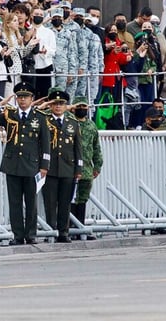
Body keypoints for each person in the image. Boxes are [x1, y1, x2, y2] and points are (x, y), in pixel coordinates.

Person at [0, 81, 50, 245]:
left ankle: (31, 234)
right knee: (14, 202)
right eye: (19, 97)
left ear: (32, 98)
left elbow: (45, 143)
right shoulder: (9, 114)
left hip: (32, 165)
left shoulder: (39, 117)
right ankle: (18, 235)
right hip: (12, 164)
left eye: (25, 97)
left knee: (31, 202)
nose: (22, 100)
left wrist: (44, 165)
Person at [40, 89, 83, 243]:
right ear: (50, 106)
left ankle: (63, 231)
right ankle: (51, 231)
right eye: (55, 104)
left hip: (67, 167)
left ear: (66, 106)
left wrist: (79, 168)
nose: (58, 107)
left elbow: (78, 148)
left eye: (61, 104)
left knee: (65, 202)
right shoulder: (44, 120)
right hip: (50, 168)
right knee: (50, 203)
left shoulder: (73, 123)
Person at [70, 96, 103, 240]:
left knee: (83, 198)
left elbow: (96, 147)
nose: (82, 109)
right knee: (70, 199)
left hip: (87, 168)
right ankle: (70, 229)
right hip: (70, 167)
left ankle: (80, 228)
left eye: (84, 107)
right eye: (79, 106)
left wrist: (98, 165)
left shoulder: (91, 126)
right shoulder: (69, 123)